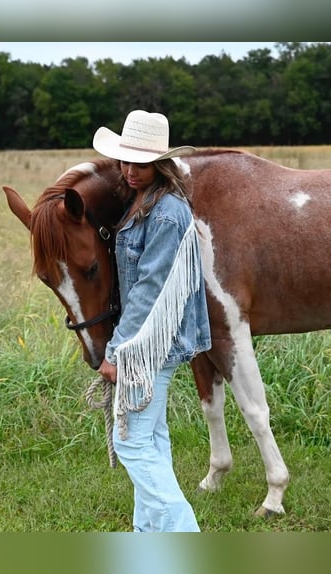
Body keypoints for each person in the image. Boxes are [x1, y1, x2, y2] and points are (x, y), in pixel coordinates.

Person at [93, 109, 211, 532]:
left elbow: (148, 291)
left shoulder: (165, 213)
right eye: (125, 161)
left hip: (149, 346)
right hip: (154, 342)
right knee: (153, 439)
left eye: (140, 164)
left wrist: (116, 353)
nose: (129, 171)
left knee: (132, 444)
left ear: (160, 165)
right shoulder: (148, 204)